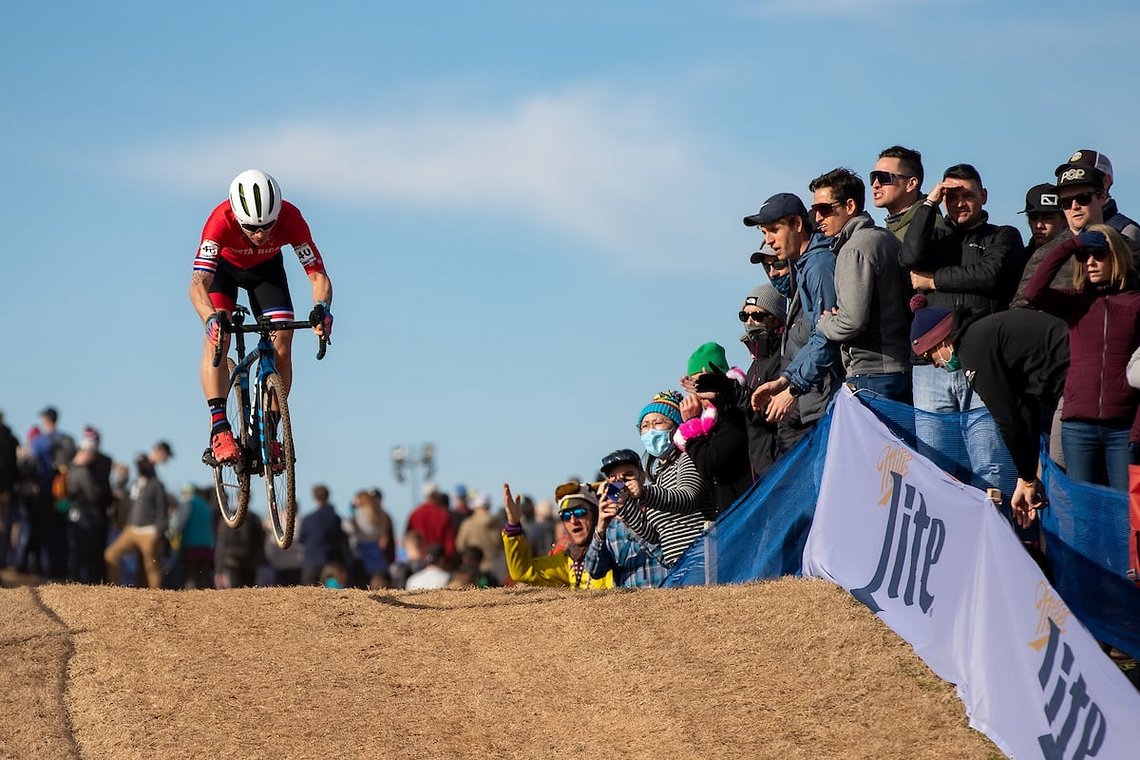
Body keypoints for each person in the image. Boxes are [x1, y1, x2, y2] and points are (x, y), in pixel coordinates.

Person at [190, 169, 334, 464]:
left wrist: (322, 309)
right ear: (236, 217)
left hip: (266, 271)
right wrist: (209, 319)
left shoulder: (291, 218)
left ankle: (268, 431)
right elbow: (198, 284)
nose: (261, 234)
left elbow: (318, 275)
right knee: (219, 338)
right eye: (252, 228)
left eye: (268, 226)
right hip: (224, 272)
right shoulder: (220, 220)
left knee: (283, 341)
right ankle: (219, 427)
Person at [909, 297, 1069, 527]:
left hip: (1072, 382)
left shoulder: (974, 349)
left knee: (1062, 479)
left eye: (929, 356)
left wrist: (1026, 478)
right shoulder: (979, 335)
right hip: (1059, 386)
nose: (934, 364)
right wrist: (1027, 477)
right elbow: (1023, 408)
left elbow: (1007, 420)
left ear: (941, 342)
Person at [1024, 227, 1140, 492]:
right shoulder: (1075, 303)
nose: (1090, 262)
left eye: (1098, 254)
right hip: (1078, 427)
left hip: (1123, 427)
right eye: (1083, 256)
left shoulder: (1135, 304)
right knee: (1083, 514)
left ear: (1116, 256)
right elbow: (1034, 292)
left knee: (1126, 513)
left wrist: (1138, 428)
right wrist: (1069, 246)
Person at [809, 168, 913, 402]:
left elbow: (851, 322)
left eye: (824, 209)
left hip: (872, 375)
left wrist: (825, 322)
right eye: (815, 210)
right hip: (902, 368)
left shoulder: (854, 249)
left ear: (850, 206)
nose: (817, 218)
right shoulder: (886, 239)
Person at [745, 194, 841, 429]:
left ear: (797, 224)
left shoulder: (819, 265)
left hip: (837, 393)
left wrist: (794, 389)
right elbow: (818, 335)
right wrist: (783, 380)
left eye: (774, 230)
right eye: (764, 233)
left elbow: (829, 337)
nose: (768, 240)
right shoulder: (806, 266)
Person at [619, 391, 713, 567]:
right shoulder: (659, 475)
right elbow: (654, 535)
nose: (650, 430)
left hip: (701, 559)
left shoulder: (688, 457)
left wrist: (646, 493)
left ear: (676, 427)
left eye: (658, 423)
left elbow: (688, 498)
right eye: (645, 425)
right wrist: (624, 505)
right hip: (677, 566)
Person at [676, 343, 753, 512]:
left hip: (747, 514)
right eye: (695, 383)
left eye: (707, 380)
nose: (701, 389)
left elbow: (708, 463)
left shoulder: (734, 414)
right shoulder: (707, 423)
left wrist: (691, 424)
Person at [583, 449, 670, 588]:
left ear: (642, 477)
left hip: (666, 597)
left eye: (627, 477)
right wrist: (600, 530)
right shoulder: (610, 525)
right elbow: (594, 571)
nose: (621, 485)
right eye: (615, 480)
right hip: (629, 606)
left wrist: (632, 522)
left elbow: (670, 559)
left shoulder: (659, 509)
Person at [501, 482, 613, 589]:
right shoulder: (567, 560)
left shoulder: (614, 549)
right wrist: (513, 525)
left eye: (580, 512)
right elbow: (523, 572)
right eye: (566, 515)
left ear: (595, 514)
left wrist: (616, 485)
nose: (573, 520)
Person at [736, 283, 788, 477]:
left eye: (757, 315)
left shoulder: (782, 356)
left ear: (775, 319)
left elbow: (766, 411)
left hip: (777, 464)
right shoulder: (756, 363)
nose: (750, 321)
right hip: (757, 469)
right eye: (745, 315)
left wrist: (733, 392)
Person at [104, 454, 168, 588]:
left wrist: (158, 529)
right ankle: (114, 588)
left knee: (150, 565)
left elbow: (162, 509)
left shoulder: (157, 485)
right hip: (132, 529)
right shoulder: (136, 483)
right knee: (111, 554)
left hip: (149, 530)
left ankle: (155, 594)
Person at [64, 427, 112, 584]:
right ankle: (74, 581)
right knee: (77, 551)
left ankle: (96, 583)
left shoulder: (104, 461)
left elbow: (97, 493)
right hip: (79, 511)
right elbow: (68, 486)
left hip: (98, 514)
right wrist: (77, 465)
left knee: (96, 554)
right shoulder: (75, 462)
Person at [871, 145, 932, 242]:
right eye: (873, 177)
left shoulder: (931, 227)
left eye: (884, 177)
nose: (875, 184)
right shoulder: (891, 229)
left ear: (911, 184)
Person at [298, 484, 348, 586]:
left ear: (314, 497)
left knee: (309, 595)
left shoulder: (308, 519)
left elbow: (302, 540)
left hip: (311, 561)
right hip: (329, 562)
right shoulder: (334, 518)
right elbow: (339, 538)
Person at [455, 492, 507, 582]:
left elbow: (460, 546)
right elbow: (504, 546)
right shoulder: (498, 524)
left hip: (474, 570)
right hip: (495, 567)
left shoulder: (468, 524)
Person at [405, 483, 457, 565]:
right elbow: (449, 543)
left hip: (419, 560)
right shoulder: (443, 515)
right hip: (438, 561)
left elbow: (408, 538)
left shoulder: (414, 514)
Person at [1019, 183, 1065, 260]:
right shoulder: (1019, 261)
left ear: (1065, 220)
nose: (1039, 225)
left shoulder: (1079, 258)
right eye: (1033, 218)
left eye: (1047, 218)